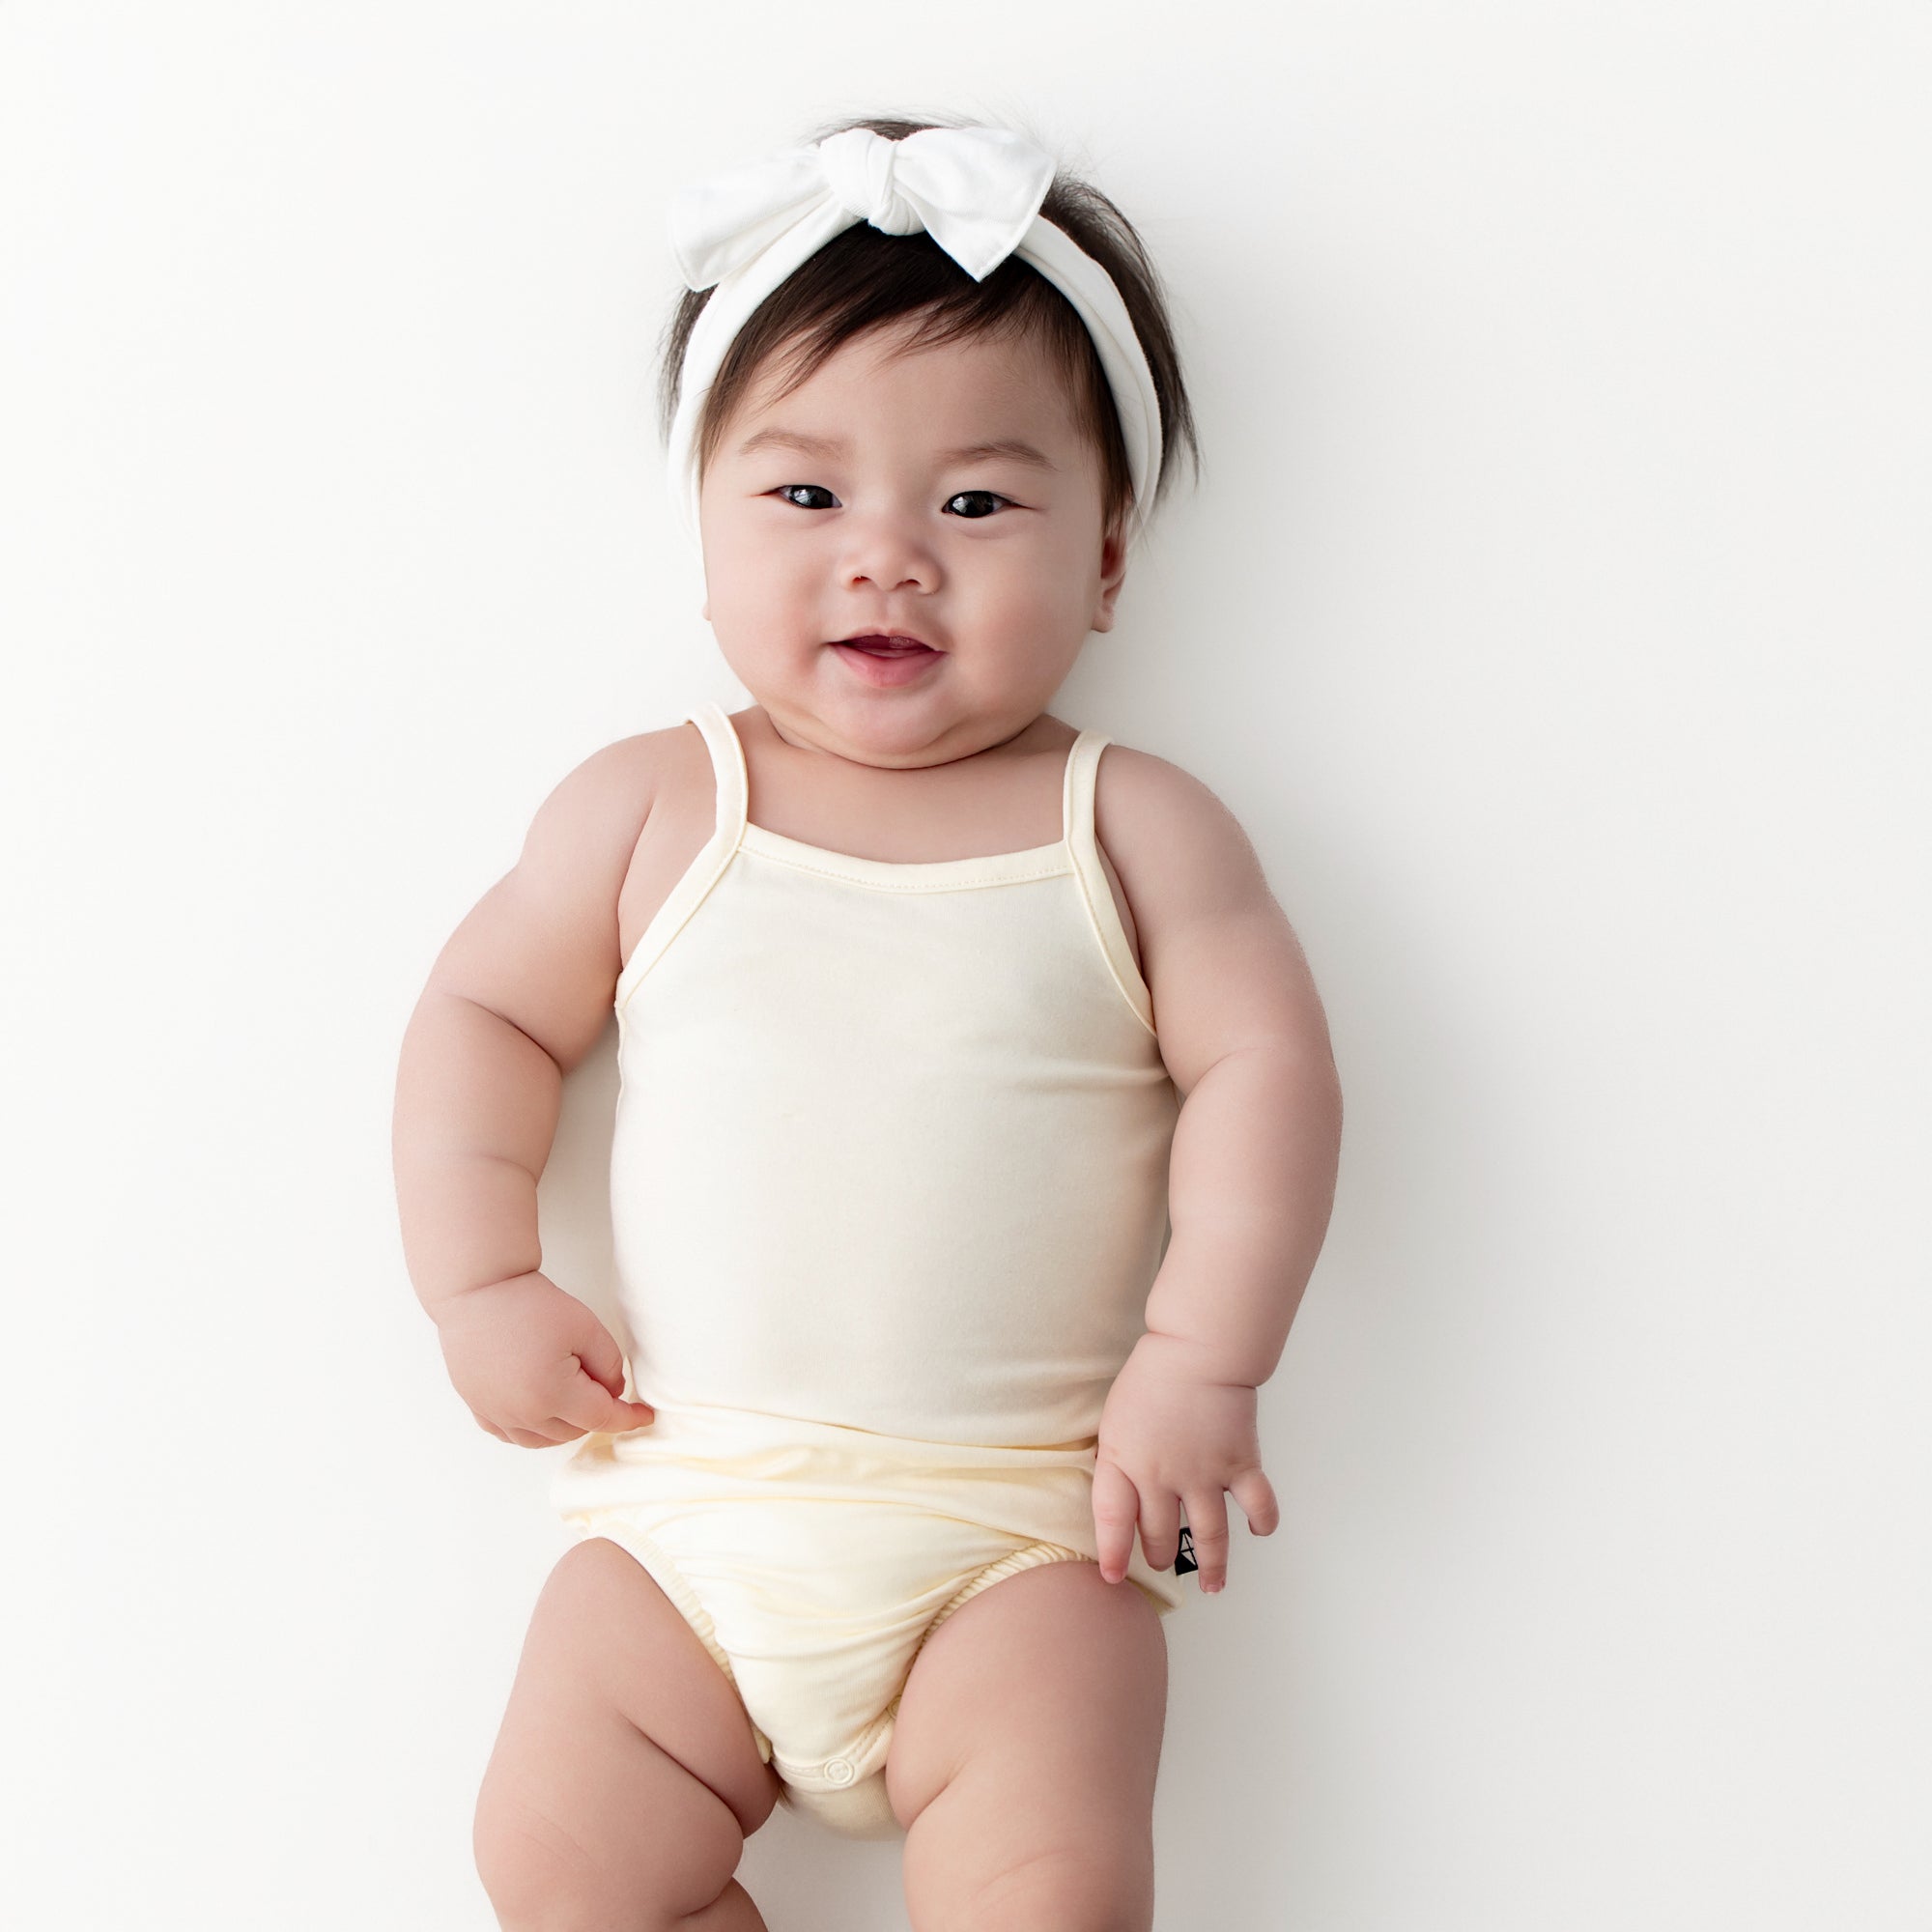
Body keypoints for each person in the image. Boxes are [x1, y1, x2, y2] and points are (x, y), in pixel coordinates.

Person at [392, 110, 1343, 1932]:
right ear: (705, 523)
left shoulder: (1129, 825)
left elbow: (1265, 1073)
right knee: (559, 1862)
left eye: (976, 502)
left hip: (1020, 1535)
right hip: (688, 1504)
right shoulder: (653, 805)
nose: (888, 558)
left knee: (1047, 1883)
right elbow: (481, 1021)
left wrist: (1202, 1362)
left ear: (1111, 560)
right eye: (806, 495)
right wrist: (479, 1282)